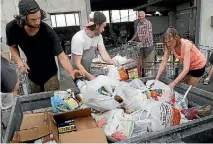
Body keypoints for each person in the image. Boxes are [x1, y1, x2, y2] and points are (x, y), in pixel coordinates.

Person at [6, 0, 82, 93]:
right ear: (23, 19)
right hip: (32, 73)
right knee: (37, 101)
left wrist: (71, 71)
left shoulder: (47, 31)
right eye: (33, 19)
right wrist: (19, 61)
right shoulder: (12, 28)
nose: (37, 22)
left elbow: (61, 56)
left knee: (52, 100)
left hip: (50, 74)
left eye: (39, 18)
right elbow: (12, 46)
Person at [71, 12, 114, 80]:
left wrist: (113, 64)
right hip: (78, 74)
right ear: (97, 25)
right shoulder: (79, 38)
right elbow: (77, 63)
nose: (103, 30)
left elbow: (103, 53)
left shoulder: (98, 36)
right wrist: (89, 76)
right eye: (103, 27)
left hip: (89, 70)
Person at [129, 11, 155, 77]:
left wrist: (141, 42)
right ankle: (142, 75)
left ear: (144, 16)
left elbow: (147, 34)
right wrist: (131, 40)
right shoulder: (138, 24)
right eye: (139, 16)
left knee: (148, 63)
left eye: (142, 16)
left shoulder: (148, 23)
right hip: (141, 46)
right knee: (141, 62)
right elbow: (137, 33)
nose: (140, 17)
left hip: (148, 46)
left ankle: (147, 76)